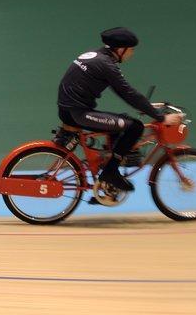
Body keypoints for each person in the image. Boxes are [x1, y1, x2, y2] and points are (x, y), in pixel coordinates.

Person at [57, 27, 182, 192]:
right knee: (135, 127)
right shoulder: (106, 65)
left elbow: (124, 93)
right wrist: (160, 117)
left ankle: (107, 170)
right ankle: (110, 173)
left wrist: (146, 106)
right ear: (121, 49)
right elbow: (128, 93)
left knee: (121, 122)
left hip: (68, 109)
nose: (132, 53)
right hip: (78, 113)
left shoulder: (95, 55)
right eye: (131, 50)